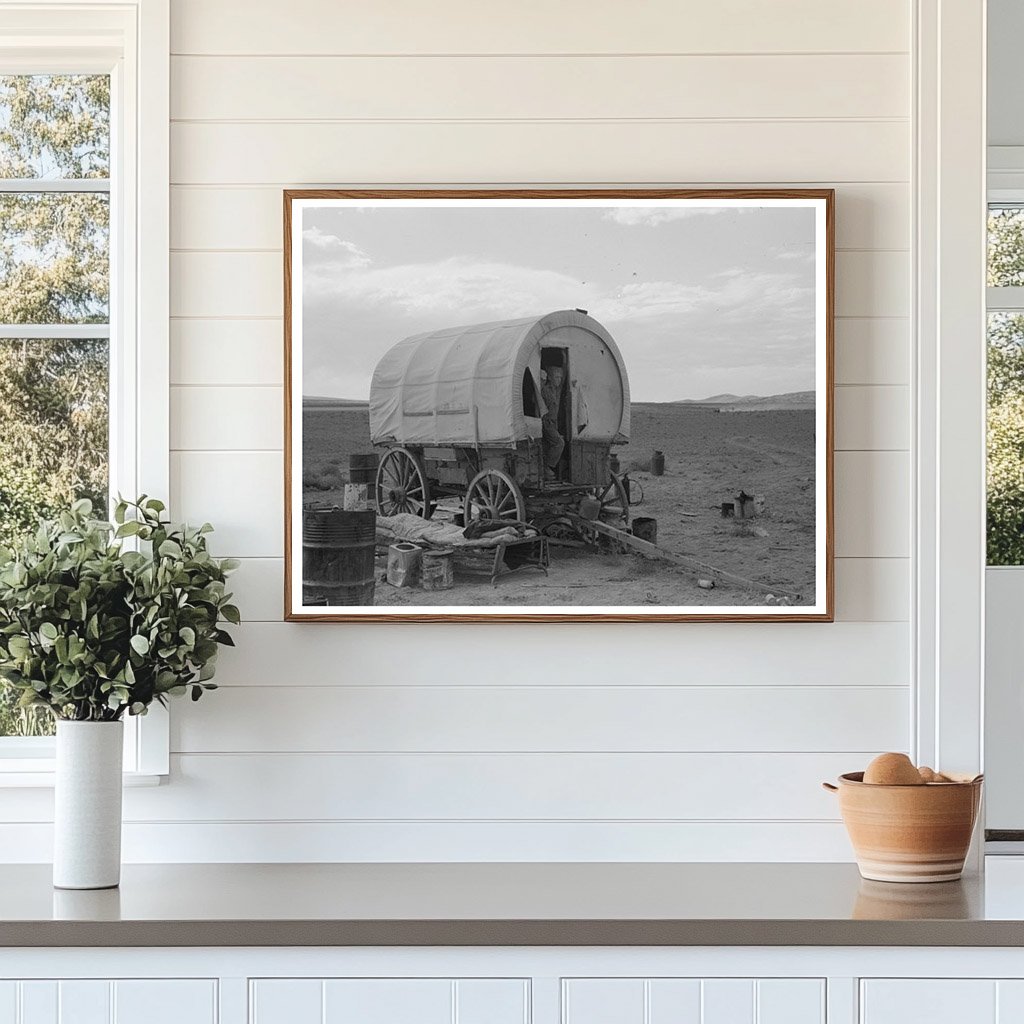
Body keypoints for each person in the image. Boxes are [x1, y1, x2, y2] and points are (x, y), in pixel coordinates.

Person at [541, 364, 565, 479]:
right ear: (549, 378)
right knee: (559, 443)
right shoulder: (545, 390)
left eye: (560, 377)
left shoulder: (557, 390)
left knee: (556, 443)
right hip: (547, 422)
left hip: (554, 423)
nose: (559, 380)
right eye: (556, 377)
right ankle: (546, 467)